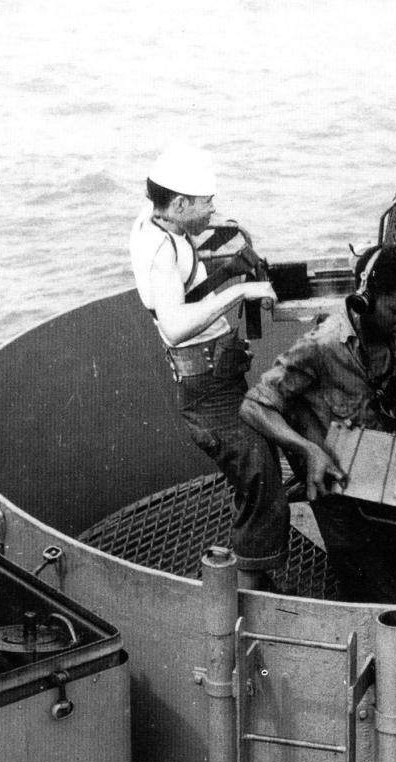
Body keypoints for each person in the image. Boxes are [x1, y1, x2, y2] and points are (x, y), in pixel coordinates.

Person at [240, 244, 396, 605]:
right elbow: (255, 406)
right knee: (373, 595)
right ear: (365, 299)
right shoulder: (321, 347)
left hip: (387, 481)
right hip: (339, 495)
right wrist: (309, 450)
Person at [129, 142, 288, 591]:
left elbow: (181, 291)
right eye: (205, 203)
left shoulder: (158, 220)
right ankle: (250, 590)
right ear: (178, 204)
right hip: (207, 390)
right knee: (258, 473)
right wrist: (237, 293)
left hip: (219, 376)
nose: (213, 210)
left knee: (256, 466)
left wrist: (228, 263)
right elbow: (176, 325)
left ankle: (255, 569)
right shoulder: (161, 250)